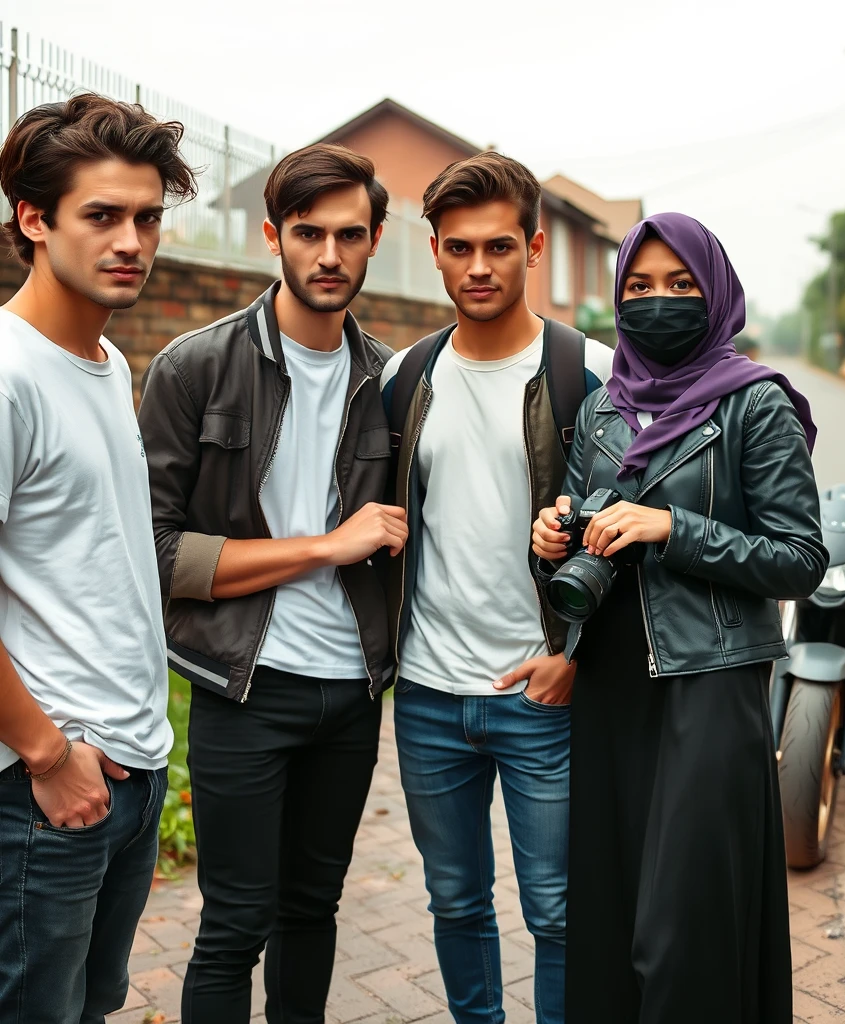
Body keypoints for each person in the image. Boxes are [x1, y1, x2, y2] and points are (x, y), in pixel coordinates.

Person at [531, 212, 827, 1024]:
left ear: (717, 292)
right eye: (640, 287)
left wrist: (674, 528)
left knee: (680, 930)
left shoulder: (755, 404)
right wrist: (554, 535)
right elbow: (587, 525)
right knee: (612, 920)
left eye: (680, 285)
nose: (659, 301)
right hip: (613, 687)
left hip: (707, 686)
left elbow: (800, 558)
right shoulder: (601, 411)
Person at [137, 143, 406, 1024]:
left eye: (350, 235)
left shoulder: (394, 383)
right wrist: (324, 547)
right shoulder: (195, 368)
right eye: (308, 233)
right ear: (271, 237)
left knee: (311, 912)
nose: (329, 255)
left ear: (374, 243)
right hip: (243, 689)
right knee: (234, 924)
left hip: (352, 694)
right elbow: (155, 550)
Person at [381, 152, 612, 1024]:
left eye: (500, 247)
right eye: (460, 248)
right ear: (434, 251)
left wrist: (575, 658)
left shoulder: (588, 372)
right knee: (455, 904)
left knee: (558, 910)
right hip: (431, 697)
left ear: (535, 247)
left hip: (541, 694)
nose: (479, 268)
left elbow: (632, 531)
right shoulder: (408, 378)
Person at [0, 95, 196, 1024]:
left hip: (127, 768)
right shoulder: (7, 375)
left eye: (147, 217)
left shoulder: (111, 362)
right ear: (33, 220)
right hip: (45, 785)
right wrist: (45, 754)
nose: (132, 240)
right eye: (102, 215)